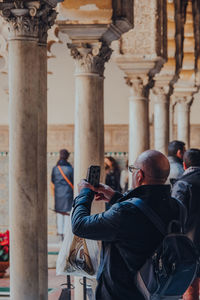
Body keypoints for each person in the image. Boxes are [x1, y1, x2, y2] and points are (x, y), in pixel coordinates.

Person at [71, 150, 179, 300]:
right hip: (158, 290)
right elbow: (143, 218)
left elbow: (80, 225)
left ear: (139, 175)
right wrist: (116, 197)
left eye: (133, 169)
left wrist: (84, 194)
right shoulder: (177, 206)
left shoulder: (124, 212)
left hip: (123, 292)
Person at [172, 149, 200, 300]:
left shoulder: (183, 184)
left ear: (184, 165)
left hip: (191, 243)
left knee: (190, 287)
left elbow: (176, 215)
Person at [51, 149, 73, 240]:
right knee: (67, 214)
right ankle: (66, 233)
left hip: (58, 195)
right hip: (68, 194)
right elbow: (73, 181)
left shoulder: (55, 168)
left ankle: (60, 233)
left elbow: (52, 182)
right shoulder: (70, 168)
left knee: (59, 214)